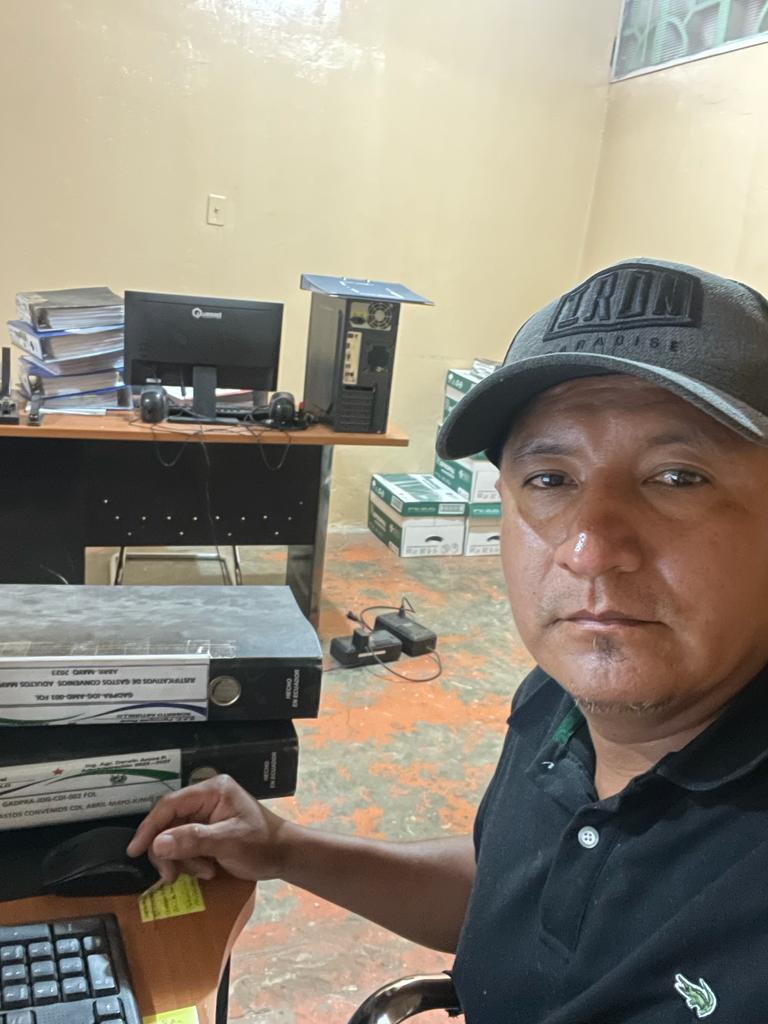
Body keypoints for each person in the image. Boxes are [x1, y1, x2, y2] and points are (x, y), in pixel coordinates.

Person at [128, 258, 768, 1022]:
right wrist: (284, 849)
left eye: (677, 477)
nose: (589, 548)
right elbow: (507, 894)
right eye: (551, 479)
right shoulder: (554, 705)